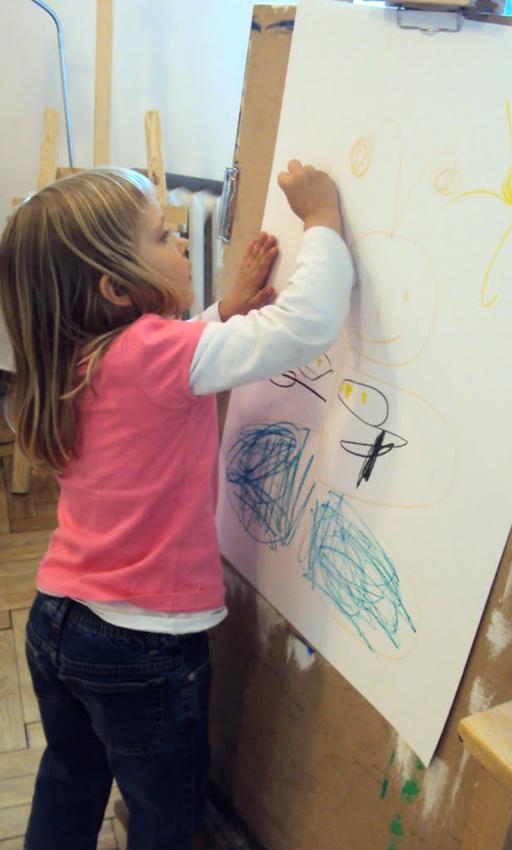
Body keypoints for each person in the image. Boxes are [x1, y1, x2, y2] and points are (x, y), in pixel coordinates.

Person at [0, 160, 354, 850]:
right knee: (165, 808)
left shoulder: (68, 357)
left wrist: (222, 315)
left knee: (70, 776)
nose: (183, 242)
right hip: (142, 644)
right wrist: (321, 219)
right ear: (114, 287)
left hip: (57, 622)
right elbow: (305, 325)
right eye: (162, 236)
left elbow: (161, 365)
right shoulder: (157, 354)